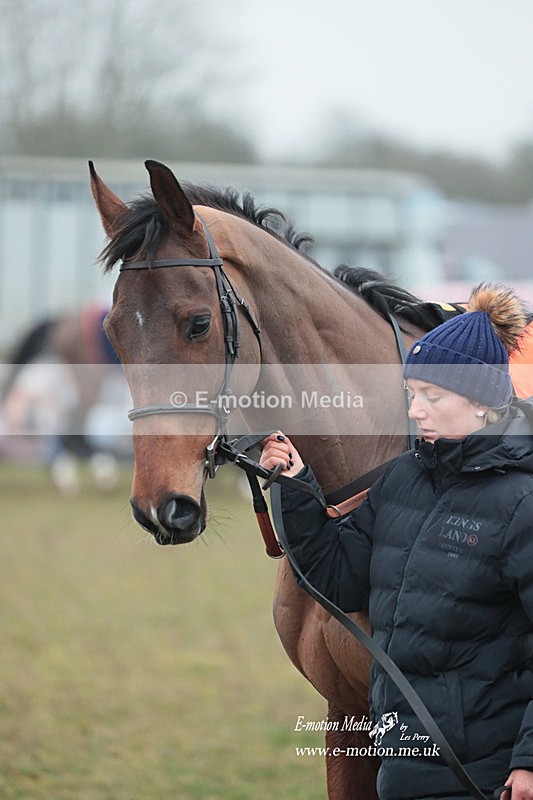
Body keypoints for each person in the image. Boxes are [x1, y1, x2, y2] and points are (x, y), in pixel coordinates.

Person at [260, 283, 533, 800]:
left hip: (485, 776)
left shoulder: (521, 504)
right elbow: (340, 581)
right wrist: (297, 487)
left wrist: (529, 762)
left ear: (481, 403)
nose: (415, 412)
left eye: (432, 397)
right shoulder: (402, 479)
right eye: (412, 397)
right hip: (401, 768)